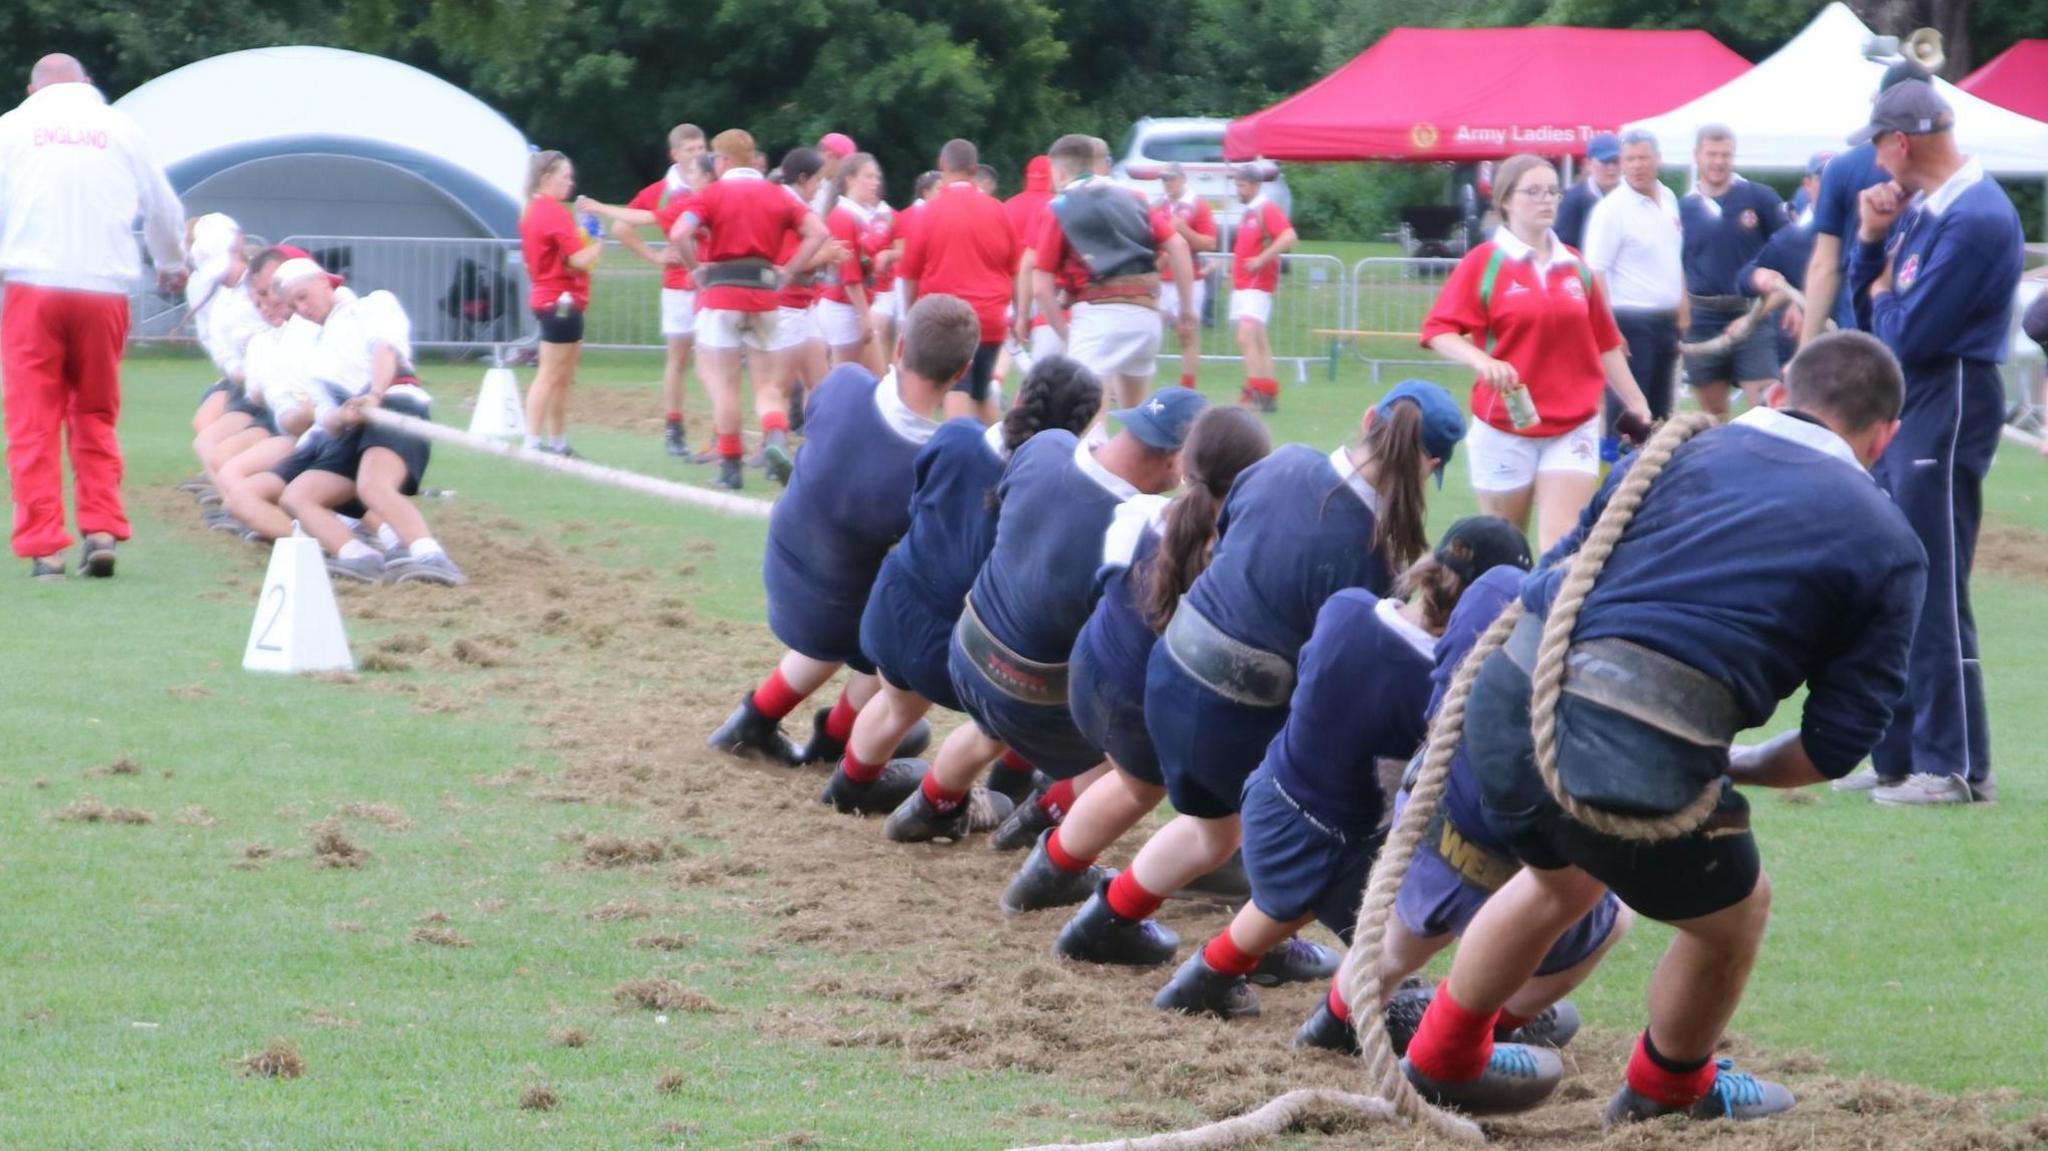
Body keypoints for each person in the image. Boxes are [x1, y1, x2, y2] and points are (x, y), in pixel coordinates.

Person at [1398, 332, 1925, 1124]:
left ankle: (1442, 1057)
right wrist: (1733, 768)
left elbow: (1560, 568)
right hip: (1632, 753)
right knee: (1735, 914)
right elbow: (1836, 745)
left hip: (1509, 704)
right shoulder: (1889, 543)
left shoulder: (1678, 448)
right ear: (1884, 436)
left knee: (1561, 877)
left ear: (1778, 391)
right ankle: (1669, 1086)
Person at [1052, 381, 1464, 971]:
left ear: (1369, 417)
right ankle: (1261, 948)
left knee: (1213, 833)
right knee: (1308, 818)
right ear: (1430, 464)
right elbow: (1333, 675)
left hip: (1167, 678)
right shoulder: (1379, 553)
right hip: (1233, 711)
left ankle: (1105, 921)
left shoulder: (1284, 463)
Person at [1158, 519, 1552, 1022]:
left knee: (1288, 897)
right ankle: (1413, 1014)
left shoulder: (1346, 608)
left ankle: (1206, 976)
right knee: (1424, 900)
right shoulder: (1440, 689)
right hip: (1334, 849)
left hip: (1267, 800)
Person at [1290, 559, 1629, 1056]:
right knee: (1605, 916)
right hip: (1511, 853)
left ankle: (1333, 1024)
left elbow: (1441, 703)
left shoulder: (1496, 589)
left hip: (1432, 817)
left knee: (1396, 944)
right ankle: (1479, 1025)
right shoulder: (1621, 632)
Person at [881, 386, 1207, 845]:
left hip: (968, 650)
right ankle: (1042, 818)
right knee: (1128, 761)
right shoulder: (1136, 528)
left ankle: (930, 807)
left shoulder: (1044, 447)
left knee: (991, 722)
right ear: (1176, 462)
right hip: (1033, 695)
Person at [998, 407, 1271, 913]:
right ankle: (1051, 876)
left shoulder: (1139, 512)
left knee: (1128, 772)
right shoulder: (1240, 562)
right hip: (1137, 709)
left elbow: (1109, 583)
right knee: (1138, 786)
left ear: (1184, 465)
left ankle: (1044, 861)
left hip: (1088, 673)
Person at [821, 357, 1105, 817]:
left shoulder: (955, 436)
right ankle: (967, 798)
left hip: (892, 608)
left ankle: (852, 784)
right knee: (1025, 700)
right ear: (1080, 430)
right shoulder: (1056, 498)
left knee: (896, 704)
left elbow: (918, 502)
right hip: (954, 648)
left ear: (1018, 399)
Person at [705, 295, 982, 768]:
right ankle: (836, 737)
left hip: (782, 560)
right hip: (833, 606)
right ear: (962, 373)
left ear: (899, 349)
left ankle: (753, 720)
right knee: (897, 637)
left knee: (847, 606)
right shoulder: (935, 458)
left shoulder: (844, 383)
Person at [1844, 79, 2022, 806]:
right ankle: (1903, 755)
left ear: (1901, 142)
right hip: (1914, 400)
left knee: (1933, 582)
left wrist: (1887, 296)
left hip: (1947, 399)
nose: (1877, 165)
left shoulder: (1975, 215)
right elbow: (1872, 323)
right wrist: (1869, 248)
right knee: (1901, 575)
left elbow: (1911, 335)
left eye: (1879, 146)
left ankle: (1949, 764)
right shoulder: (1927, 211)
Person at [0, 52, 186, 579]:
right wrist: (171, 262)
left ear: (33, 91)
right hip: (104, 289)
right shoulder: (121, 127)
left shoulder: (11, 128)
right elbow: (163, 206)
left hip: (32, 287)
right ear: (88, 83)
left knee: (32, 422)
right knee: (95, 413)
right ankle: (101, 529)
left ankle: (44, 549)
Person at [1423, 154, 1654, 552]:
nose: (1546, 200)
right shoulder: (1485, 262)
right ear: (1506, 201)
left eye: (1552, 191)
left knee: (1561, 547)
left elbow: (1604, 342)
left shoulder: (1575, 266)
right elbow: (1438, 331)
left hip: (1573, 423)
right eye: (1533, 191)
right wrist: (1483, 362)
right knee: (1502, 548)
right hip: (1505, 425)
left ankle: (1552, 615)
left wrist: (1637, 403)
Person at [267, 257, 464, 586]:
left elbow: (384, 350)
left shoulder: (373, 306)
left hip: (395, 405)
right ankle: (360, 557)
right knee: (297, 496)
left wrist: (374, 394)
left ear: (322, 281)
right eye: (292, 305)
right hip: (353, 428)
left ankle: (432, 556)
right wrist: (340, 416)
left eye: (303, 297)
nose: (300, 309)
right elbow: (323, 412)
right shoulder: (317, 354)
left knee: (373, 486)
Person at [670, 128, 828, 491]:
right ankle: (774, 437)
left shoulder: (713, 193)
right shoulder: (777, 195)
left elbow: (680, 234)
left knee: (725, 384)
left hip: (722, 296)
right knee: (768, 387)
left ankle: (730, 466)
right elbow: (817, 233)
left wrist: (697, 271)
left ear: (722, 160)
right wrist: (787, 271)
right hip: (765, 296)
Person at [1033, 134, 1196, 410]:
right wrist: (1187, 310)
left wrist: (1065, 334)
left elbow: (1040, 286)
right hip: (1146, 316)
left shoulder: (1059, 207)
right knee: (1136, 420)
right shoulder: (1136, 198)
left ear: (1059, 171)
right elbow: (1179, 246)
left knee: (1085, 427)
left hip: (1098, 317)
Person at [585, 124, 705, 457]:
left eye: (701, 149)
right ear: (675, 154)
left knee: (713, 360)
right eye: (691, 150)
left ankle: (720, 434)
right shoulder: (663, 192)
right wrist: (654, 256)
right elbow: (623, 227)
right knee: (679, 358)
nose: (698, 155)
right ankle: (674, 427)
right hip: (680, 285)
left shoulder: (712, 184)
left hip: (712, 284)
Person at [1801, 60, 1933, 348]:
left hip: (1863, 334)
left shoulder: (1842, 167)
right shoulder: (1953, 176)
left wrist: (1805, 350)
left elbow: (1825, 265)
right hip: (1923, 336)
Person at [1583, 129, 1684, 467]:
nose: (1637, 166)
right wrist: (1610, 331)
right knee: (1628, 410)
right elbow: (1596, 273)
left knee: (1660, 410)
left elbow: (1673, 256)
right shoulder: (1612, 210)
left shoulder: (1668, 198)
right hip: (1629, 319)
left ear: (1658, 159)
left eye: (1643, 158)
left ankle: (1652, 471)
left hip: (1664, 321)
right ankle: (1616, 472)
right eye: (1630, 159)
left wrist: (1682, 305)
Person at [898, 139, 1018, 422]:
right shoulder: (998, 210)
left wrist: (912, 314)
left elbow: (910, 275)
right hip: (990, 319)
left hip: (947, 321)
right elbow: (1014, 268)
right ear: (975, 170)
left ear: (942, 167)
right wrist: (1016, 310)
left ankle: (958, 457)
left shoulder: (928, 212)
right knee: (980, 394)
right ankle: (1004, 457)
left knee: (956, 391)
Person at [1679, 126, 1788, 418]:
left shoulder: (1760, 198)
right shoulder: (1682, 208)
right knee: (1712, 415)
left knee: (1766, 408)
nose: (1718, 162)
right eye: (1711, 154)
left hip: (1753, 315)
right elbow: (1675, 265)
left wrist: (1759, 314)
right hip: (1702, 320)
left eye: (1725, 154)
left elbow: (1788, 257)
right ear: (1697, 156)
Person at [520, 150, 601, 457]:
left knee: (562, 376)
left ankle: (557, 441)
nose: (570, 182)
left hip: (552, 298)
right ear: (547, 178)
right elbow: (578, 259)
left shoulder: (532, 210)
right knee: (551, 374)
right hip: (560, 301)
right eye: (565, 176)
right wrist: (597, 245)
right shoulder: (551, 211)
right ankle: (533, 440)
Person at [762, 147, 838, 471]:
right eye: (818, 180)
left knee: (820, 384)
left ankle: (817, 452)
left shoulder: (794, 204)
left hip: (802, 306)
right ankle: (773, 451)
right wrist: (825, 256)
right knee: (780, 384)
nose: (820, 187)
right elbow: (786, 263)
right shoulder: (788, 205)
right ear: (803, 178)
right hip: (787, 306)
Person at [1736, 155, 1827, 373]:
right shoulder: (1789, 238)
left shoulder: (1864, 229)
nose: (1831, 185)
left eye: (1836, 178)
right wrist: (1759, 277)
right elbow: (1746, 279)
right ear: (1808, 184)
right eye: (1823, 179)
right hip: (1802, 347)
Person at [1229, 165, 1297, 412]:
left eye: (1242, 185)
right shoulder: (1250, 211)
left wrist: (1262, 259)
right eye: (1237, 185)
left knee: (1245, 336)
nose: (1238, 190)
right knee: (1257, 339)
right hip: (1244, 283)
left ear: (1255, 185)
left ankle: (1254, 391)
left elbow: (1288, 236)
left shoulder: (1265, 208)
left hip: (1257, 282)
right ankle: (1268, 394)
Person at [817, 152, 886, 372]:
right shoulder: (844, 216)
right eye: (868, 177)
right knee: (848, 379)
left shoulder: (859, 215)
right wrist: (865, 316)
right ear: (850, 179)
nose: (875, 182)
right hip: (843, 308)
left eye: (876, 177)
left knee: (872, 379)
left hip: (853, 306)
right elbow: (850, 275)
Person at [1156, 163, 1219, 390]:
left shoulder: (1198, 205)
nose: (1167, 184)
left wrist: (1184, 230)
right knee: (1152, 330)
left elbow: (1210, 243)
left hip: (1189, 279)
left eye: (1171, 179)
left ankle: (1187, 386)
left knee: (1187, 333)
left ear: (1182, 179)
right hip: (1162, 278)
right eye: (1164, 179)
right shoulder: (1160, 206)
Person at [871, 171, 942, 373]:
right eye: (939, 189)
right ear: (925, 191)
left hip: (910, 278)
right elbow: (905, 253)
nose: (943, 193)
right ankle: (897, 373)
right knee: (905, 330)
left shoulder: (912, 214)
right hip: (909, 278)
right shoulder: (915, 214)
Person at [1553, 133, 1620, 253]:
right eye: (1604, 162)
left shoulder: (1631, 195)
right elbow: (1563, 245)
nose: (1611, 168)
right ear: (1588, 164)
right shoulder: (1573, 200)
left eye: (1615, 162)